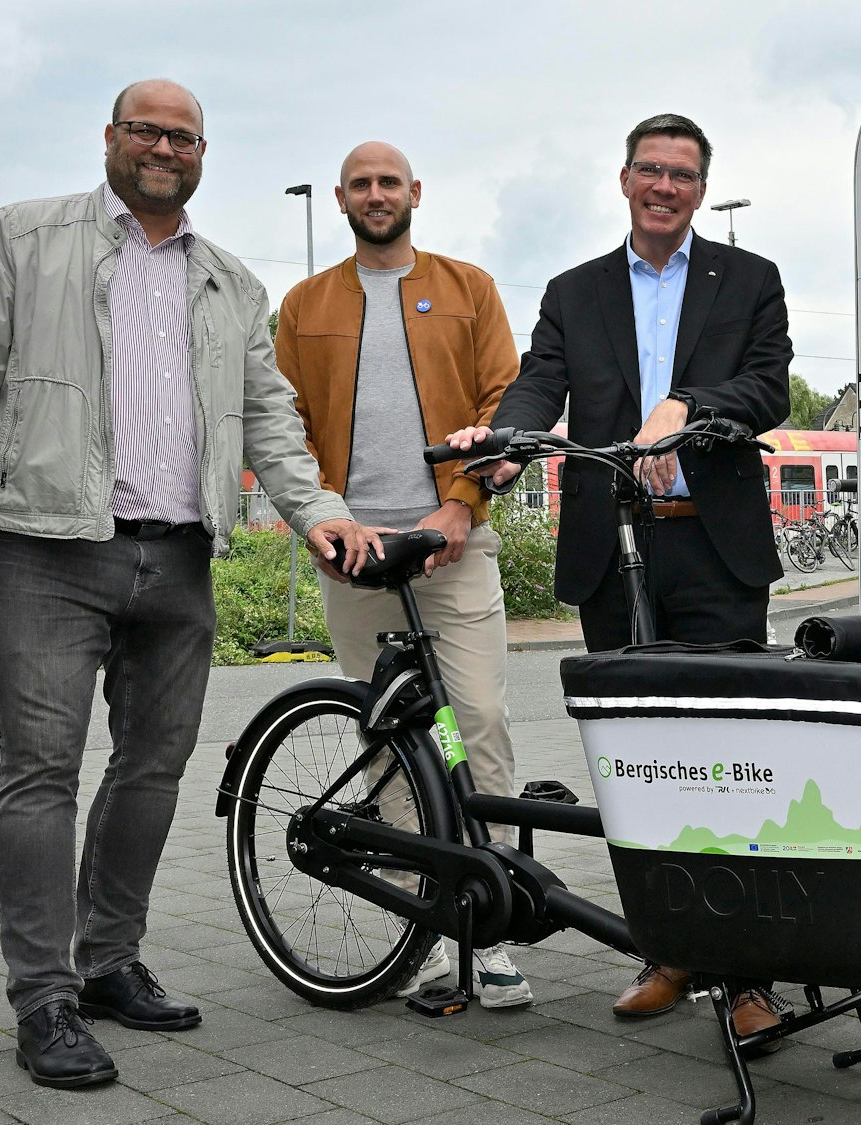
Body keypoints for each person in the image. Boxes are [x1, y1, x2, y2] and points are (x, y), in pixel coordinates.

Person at [0, 80, 381, 1089]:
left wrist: (321, 513)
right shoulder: (23, 237)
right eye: (147, 131)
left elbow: (269, 421)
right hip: (48, 549)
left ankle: (109, 960)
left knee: (152, 768)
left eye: (183, 136)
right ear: (112, 139)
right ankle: (42, 999)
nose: (164, 147)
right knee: (39, 771)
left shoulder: (229, 283)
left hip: (180, 557)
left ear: (203, 153)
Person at [446, 113, 791, 1043]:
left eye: (682, 173)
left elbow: (767, 386)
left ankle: (750, 974)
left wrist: (689, 402)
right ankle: (672, 952)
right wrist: (507, 442)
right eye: (651, 169)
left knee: (732, 762)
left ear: (701, 188)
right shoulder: (575, 290)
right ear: (626, 179)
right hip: (614, 550)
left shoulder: (750, 280)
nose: (665, 186)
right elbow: (536, 383)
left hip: (714, 552)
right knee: (640, 768)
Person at [273, 142, 531, 1008]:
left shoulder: (468, 288)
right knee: (388, 733)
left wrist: (459, 505)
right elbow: (283, 422)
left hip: (450, 546)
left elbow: (505, 401)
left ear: (415, 192)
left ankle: (489, 923)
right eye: (361, 184)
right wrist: (323, 519)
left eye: (390, 182)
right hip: (354, 554)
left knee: (471, 724)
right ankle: (430, 912)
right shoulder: (306, 305)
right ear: (343, 198)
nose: (376, 195)